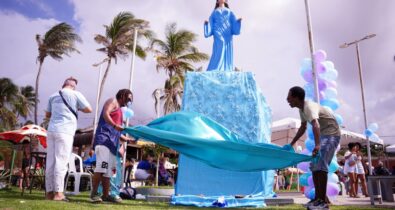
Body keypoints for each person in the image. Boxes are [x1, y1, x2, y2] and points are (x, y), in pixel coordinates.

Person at [287, 86, 340, 209]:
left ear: (296, 98)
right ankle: (317, 199)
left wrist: (317, 144)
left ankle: (323, 202)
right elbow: (303, 127)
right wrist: (291, 143)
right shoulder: (301, 109)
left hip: (331, 134)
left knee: (321, 165)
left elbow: (315, 124)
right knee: (315, 166)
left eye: (289, 97)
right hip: (324, 136)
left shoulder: (308, 107)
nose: (287, 100)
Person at [45, 77, 92, 201]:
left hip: (51, 130)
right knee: (61, 161)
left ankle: (49, 193)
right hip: (65, 131)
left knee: (50, 162)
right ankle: (59, 194)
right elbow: (89, 109)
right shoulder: (76, 94)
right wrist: (77, 107)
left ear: (63, 84)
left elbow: (47, 114)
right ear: (73, 86)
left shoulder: (53, 95)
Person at [90, 89, 134, 203]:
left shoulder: (119, 109)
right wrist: (115, 126)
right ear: (123, 95)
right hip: (104, 140)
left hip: (112, 144)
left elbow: (116, 132)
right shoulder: (112, 101)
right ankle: (94, 193)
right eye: (128, 98)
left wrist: (126, 138)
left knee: (109, 172)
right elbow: (105, 114)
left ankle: (106, 195)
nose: (129, 102)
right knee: (102, 167)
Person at [204, 0, 241, 71]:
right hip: (217, 31)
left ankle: (225, 68)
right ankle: (215, 67)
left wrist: (238, 22)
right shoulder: (214, 12)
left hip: (227, 32)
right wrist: (207, 24)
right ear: (217, 1)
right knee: (220, 45)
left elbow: (234, 21)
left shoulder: (229, 11)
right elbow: (211, 22)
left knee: (226, 48)